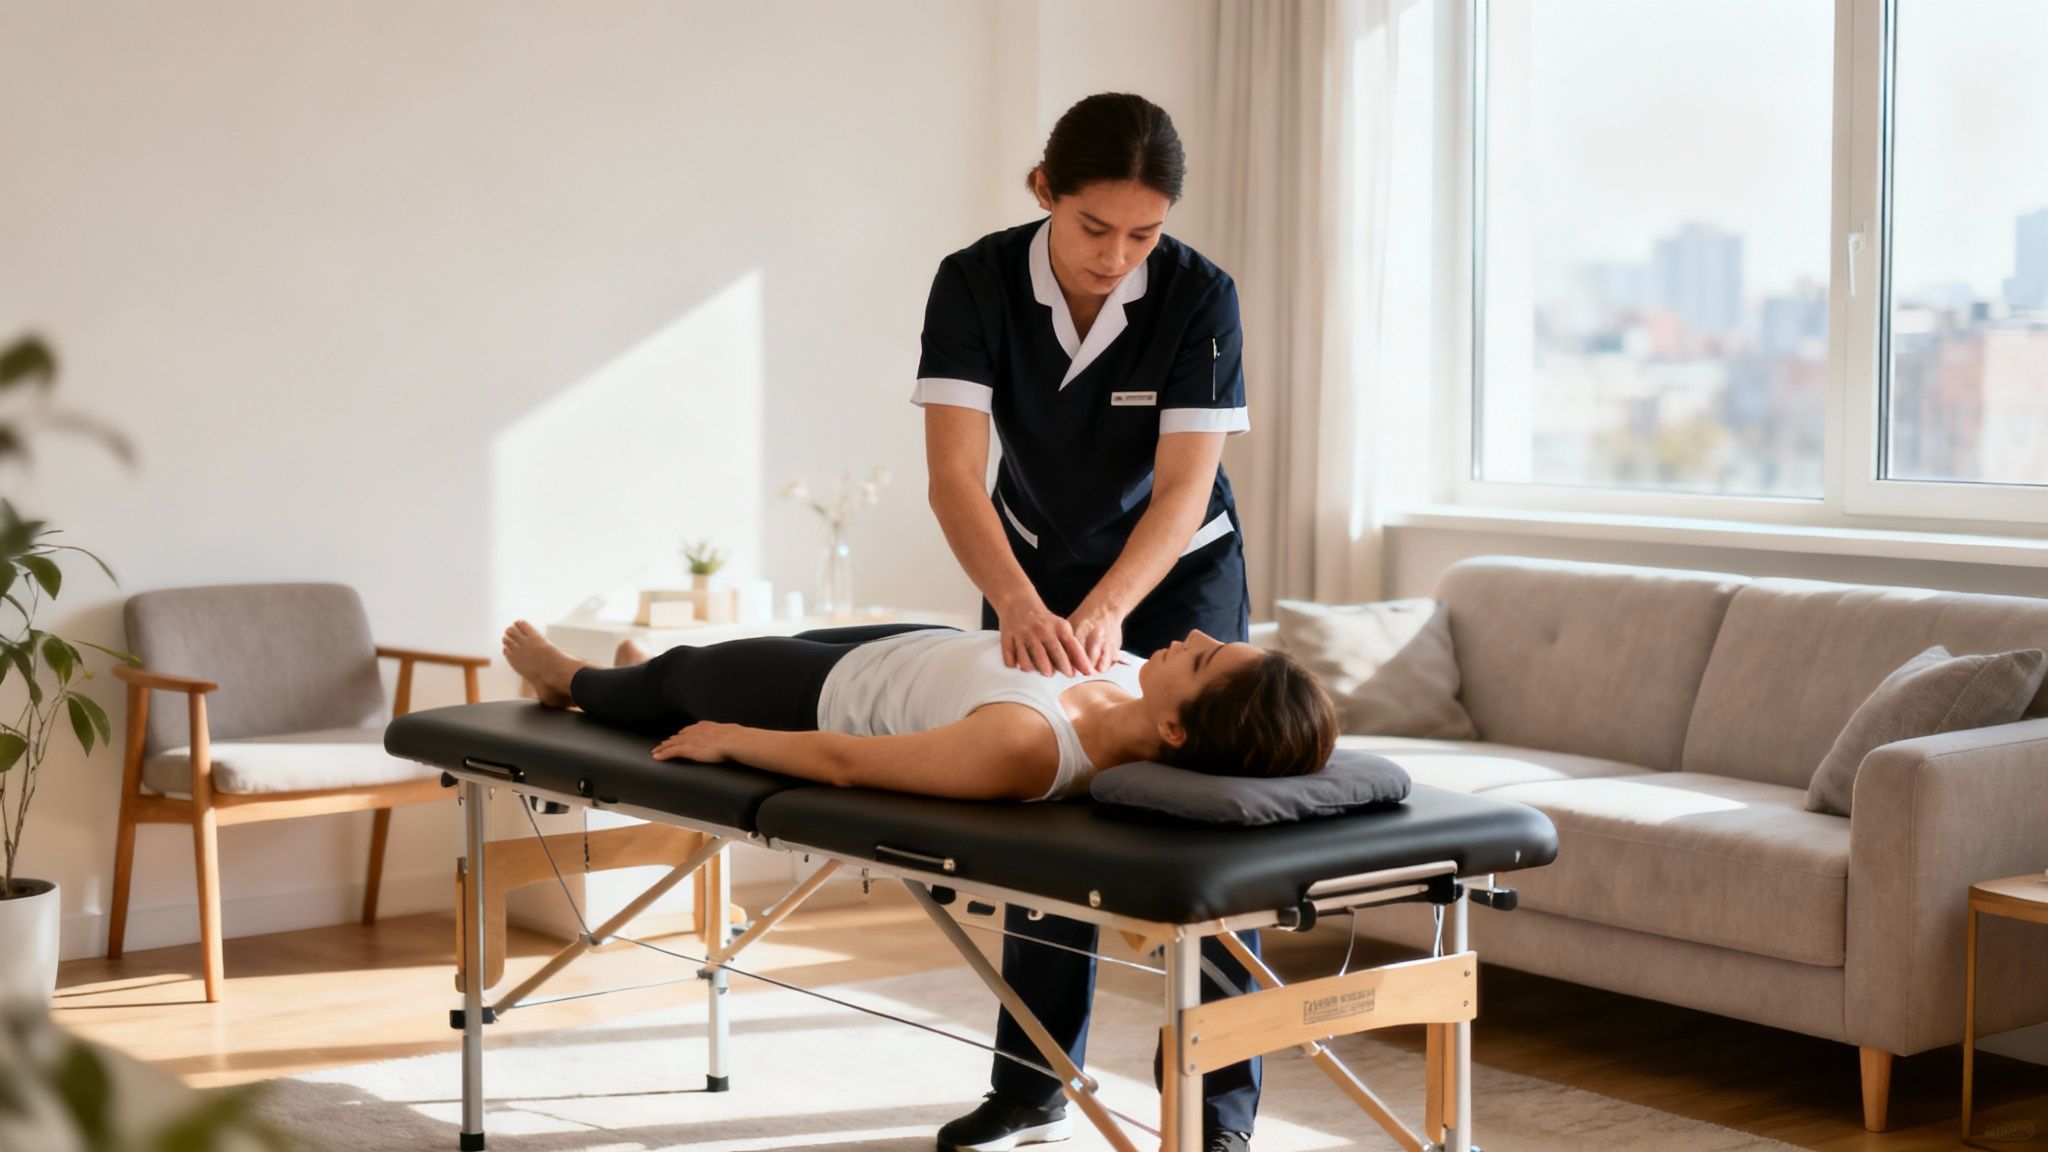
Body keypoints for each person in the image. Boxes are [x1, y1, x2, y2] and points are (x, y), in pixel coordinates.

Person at [914, 91, 1263, 1151]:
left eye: (1143, 235)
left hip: (1177, 576)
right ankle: (1032, 1084)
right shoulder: (974, 281)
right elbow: (953, 476)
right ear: (1043, 192)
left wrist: (1108, 610)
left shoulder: (1199, 296)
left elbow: (1182, 489)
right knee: (1040, 800)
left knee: (1214, 820)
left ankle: (1215, 1111)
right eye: (1093, 227)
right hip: (1026, 564)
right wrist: (1022, 603)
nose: (1116, 257)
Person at [500, 620, 1333, 801]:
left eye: (1205, 658)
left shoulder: (1027, 745)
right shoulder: (1136, 684)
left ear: (1177, 730)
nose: (1195, 635)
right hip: (910, 646)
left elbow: (847, 763)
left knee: (682, 673)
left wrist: (735, 739)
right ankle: (643, 675)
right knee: (722, 656)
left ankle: (565, 678)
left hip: (824, 696)